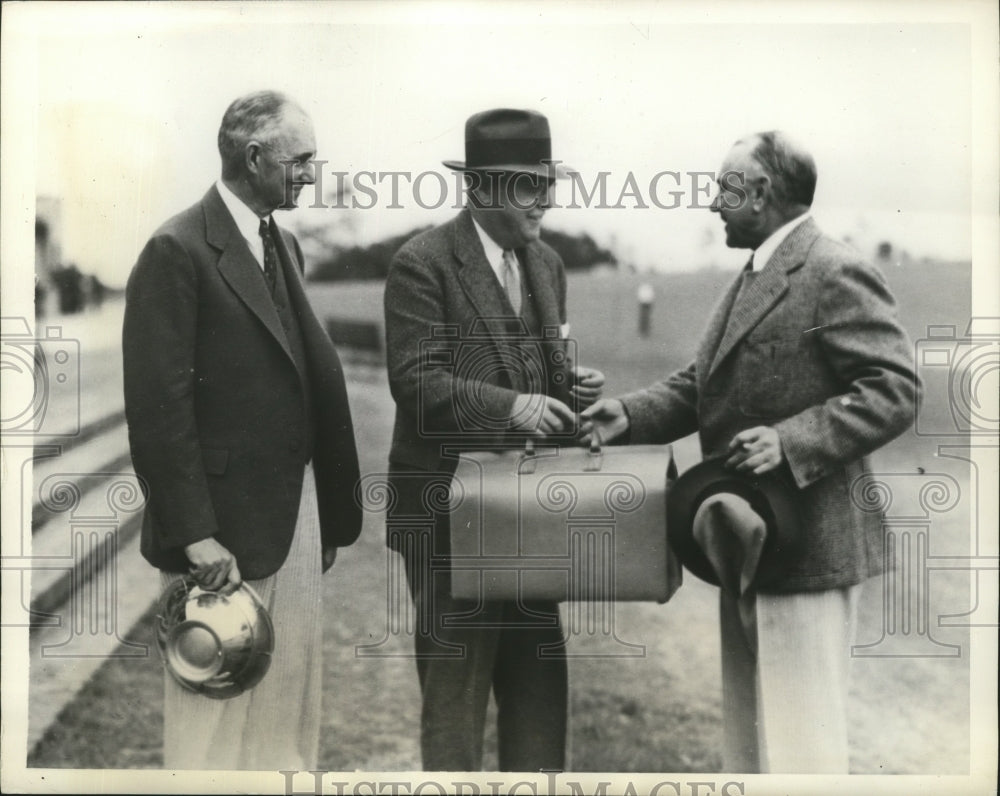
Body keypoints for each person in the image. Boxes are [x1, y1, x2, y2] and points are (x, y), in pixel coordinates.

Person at [583, 131, 919, 773]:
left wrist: (791, 441)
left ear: (761, 191)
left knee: (802, 750)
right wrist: (626, 414)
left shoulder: (831, 269)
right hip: (751, 545)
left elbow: (896, 387)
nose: (712, 203)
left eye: (723, 188)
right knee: (753, 739)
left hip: (811, 550)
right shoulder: (756, 271)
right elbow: (702, 385)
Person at [122, 90, 362, 770]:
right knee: (211, 731)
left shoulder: (280, 242)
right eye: (302, 160)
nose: (312, 174)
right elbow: (158, 409)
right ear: (254, 157)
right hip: (218, 536)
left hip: (295, 518)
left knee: (287, 723)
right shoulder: (174, 249)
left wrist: (322, 516)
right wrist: (195, 533)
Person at [383, 108, 604, 771]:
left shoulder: (547, 263)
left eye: (550, 182)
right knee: (455, 713)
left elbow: (545, 378)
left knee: (539, 701)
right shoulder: (421, 264)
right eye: (531, 185)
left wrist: (572, 388)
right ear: (482, 189)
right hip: (449, 525)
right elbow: (417, 385)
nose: (548, 199)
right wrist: (516, 408)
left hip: (531, 521)